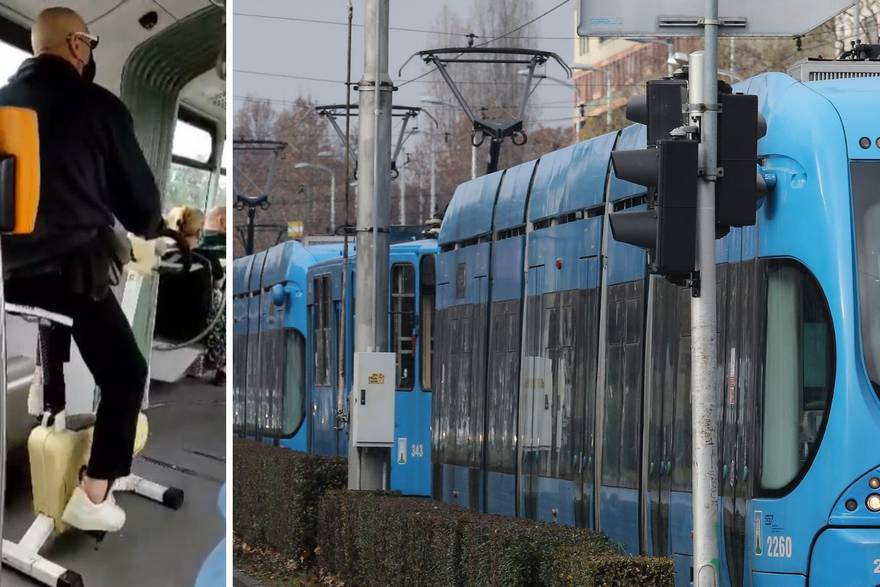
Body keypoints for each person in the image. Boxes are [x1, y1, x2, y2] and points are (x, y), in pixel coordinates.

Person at [0, 7, 165, 533]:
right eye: (90, 43)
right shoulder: (100, 107)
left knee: (55, 320)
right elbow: (140, 210)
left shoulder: (2, 105)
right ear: (76, 45)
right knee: (126, 373)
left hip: (8, 274)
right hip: (70, 274)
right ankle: (94, 496)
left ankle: (52, 407)